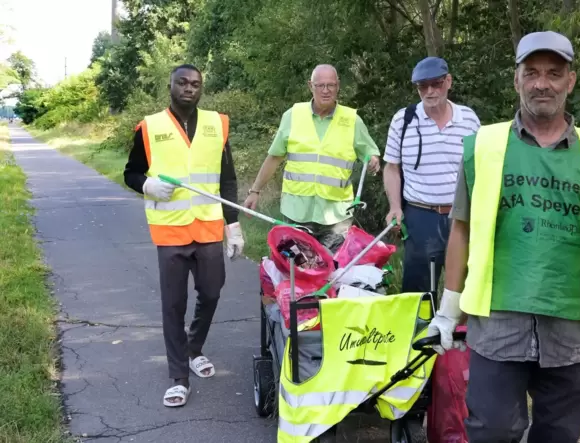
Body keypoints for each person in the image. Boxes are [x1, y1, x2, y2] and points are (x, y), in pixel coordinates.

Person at [427, 31, 580, 442]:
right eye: (532, 72)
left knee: (559, 435)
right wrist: (448, 312)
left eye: (554, 73)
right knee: (491, 431)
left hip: (573, 334)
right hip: (497, 328)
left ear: (570, 82)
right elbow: (462, 231)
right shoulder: (485, 147)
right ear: (517, 80)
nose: (542, 82)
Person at [123, 64, 245, 407]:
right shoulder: (149, 127)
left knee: (212, 292)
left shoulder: (216, 124)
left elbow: (228, 180)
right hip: (170, 230)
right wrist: (147, 185)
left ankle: (194, 348)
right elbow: (130, 172)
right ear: (170, 86)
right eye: (183, 82)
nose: (189, 88)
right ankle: (179, 377)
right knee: (173, 305)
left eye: (195, 84)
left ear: (201, 89)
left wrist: (232, 225)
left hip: (207, 226)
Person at [243, 64, 381, 252]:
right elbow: (274, 157)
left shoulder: (352, 120)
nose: (326, 91)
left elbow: (370, 152)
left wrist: (373, 160)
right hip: (296, 213)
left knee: (332, 273)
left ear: (338, 86)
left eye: (331, 85)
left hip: (336, 216)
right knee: (296, 271)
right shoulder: (292, 116)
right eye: (320, 85)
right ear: (311, 86)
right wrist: (255, 190)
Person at [382, 56, 480, 293]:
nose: (429, 91)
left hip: (462, 216)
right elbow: (392, 167)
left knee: (467, 287)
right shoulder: (403, 120)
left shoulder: (469, 119)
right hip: (420, 217)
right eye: (422, 86)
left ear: (448, 82)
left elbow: (479, 168)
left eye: (435, 84)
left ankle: (463, 330)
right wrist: (395, 206)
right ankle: (422, 330)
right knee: (419, 293)